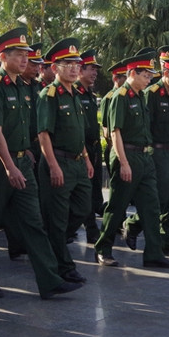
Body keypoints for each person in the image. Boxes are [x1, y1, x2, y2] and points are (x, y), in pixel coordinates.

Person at [0, 27, 82, 300]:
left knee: (34, 222)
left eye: (26, 55)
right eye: (19, 55)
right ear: (3, 57)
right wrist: (10, 166)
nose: (25, 60)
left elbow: (25, 125)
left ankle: (50, 280)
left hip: (21, 162)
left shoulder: (23, 86)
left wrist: (25, 154)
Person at [93, 52, 169, 269]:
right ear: (132, 73)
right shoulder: (120, 97)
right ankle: (103, 249)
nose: (149, 79)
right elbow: (115, 133)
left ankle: (154, 254)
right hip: (127, 155)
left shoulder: (141, 96)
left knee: (151, 207)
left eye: (150, 75)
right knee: (117, 206)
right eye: (145, 75)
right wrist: (123, 163)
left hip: (145, 157)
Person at [124, 47, 169, 256]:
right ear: (166, 73)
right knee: (159, 199)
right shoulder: (152, 94)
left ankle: (168, 240)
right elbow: (146, 125)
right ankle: (133, 224)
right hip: (158, 152)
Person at [36, 38, 93, 284]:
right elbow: (43, 134)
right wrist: (53, 165)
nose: (73, 68)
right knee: (57, 219)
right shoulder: (49, 95)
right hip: (59, 161)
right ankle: (63, 266)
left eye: (76, 64)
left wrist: (87, 159)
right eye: (67, 64)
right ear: (54, 67)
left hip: (78, 163)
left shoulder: (75, 95)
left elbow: (78, 132)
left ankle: (52, 247)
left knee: (82, 208)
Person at [68, 48, 103, 244]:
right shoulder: (74, 93)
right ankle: (90, 230)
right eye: (91, 69)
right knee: (84, 192)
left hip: (94, 147)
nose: (95, 73)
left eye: (96, 69)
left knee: (95, 190)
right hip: (82, 148)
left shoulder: (89, 94)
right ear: (80, 70)